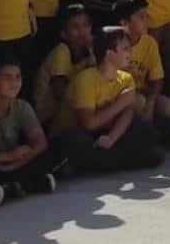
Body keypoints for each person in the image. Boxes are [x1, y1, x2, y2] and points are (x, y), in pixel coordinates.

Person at [53, 27, 163, 174]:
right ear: (109, 53)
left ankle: (99, 163)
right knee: (77, 142)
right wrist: (121, 102)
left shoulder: (126, 78)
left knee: (146, 134)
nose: (129, 53)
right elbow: (89, 124)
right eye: (125, 49)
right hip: (76, 132)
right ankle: (105, 162)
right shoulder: (86, 79)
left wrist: (112, 138)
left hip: (105, 133)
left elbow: (127, 115)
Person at [0, 56, 63, 206]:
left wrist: (18, 160)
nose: (14, 82)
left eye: (17, 77)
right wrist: (8, 156)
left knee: (54, 151)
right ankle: (27, 185)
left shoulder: (22, 107)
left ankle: (10, 187)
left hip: (16, 163)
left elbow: (40, 142)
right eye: (7, 77)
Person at [112, 0, 170, 124]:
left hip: (143, 93)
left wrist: (151, 102)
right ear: (124, 23)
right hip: (116, 97)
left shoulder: (149, 43)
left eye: (147, 16)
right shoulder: (112, 43)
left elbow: (157, 80)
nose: (147, 21)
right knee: (139, 102)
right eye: (142, 17)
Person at [32, 6, 95, 127]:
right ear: (64, 34)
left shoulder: (89, 52)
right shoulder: (62, 51)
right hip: (49, 119)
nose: (82, 31)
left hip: (72, 110)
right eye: (75, 27)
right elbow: (60, 93)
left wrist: (92, 52)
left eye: (85, 25)